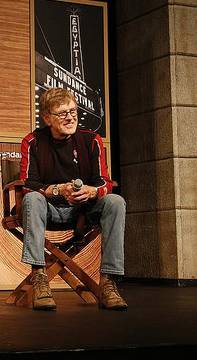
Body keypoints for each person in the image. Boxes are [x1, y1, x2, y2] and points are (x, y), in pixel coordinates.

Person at [20, 88, 127, 310]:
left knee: (115, 201)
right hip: (48, 209)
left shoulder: (91, 140)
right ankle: (39, 277)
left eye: (73, 111)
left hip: (83, 211)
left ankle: (108, 282)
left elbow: (105, 182)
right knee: (32, 199)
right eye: (62, 113)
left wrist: (90, 191)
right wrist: (57, 190)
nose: (70, 117)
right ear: (48, 118)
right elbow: (28, 184)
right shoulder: (33, 141)